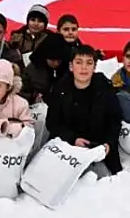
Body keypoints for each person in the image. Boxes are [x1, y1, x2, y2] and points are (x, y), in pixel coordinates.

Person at [46, 45, 123, 177]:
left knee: (99, 179)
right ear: (71, 66)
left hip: (97, 147)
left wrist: (108, 143)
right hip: (68, 146)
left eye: (89, 63)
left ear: (94, 67)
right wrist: (73, 139)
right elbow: (52, 123)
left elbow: (114, 120)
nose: (84, 68)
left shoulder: (104, 87)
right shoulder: (60, 88)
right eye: (79, 62)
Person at [20, 32, 69, 103]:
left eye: (59, 60)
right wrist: (33, 97)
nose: (56, 64)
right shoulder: (32, 70)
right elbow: (22, 93)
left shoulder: (70, 68)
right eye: (52, 60)